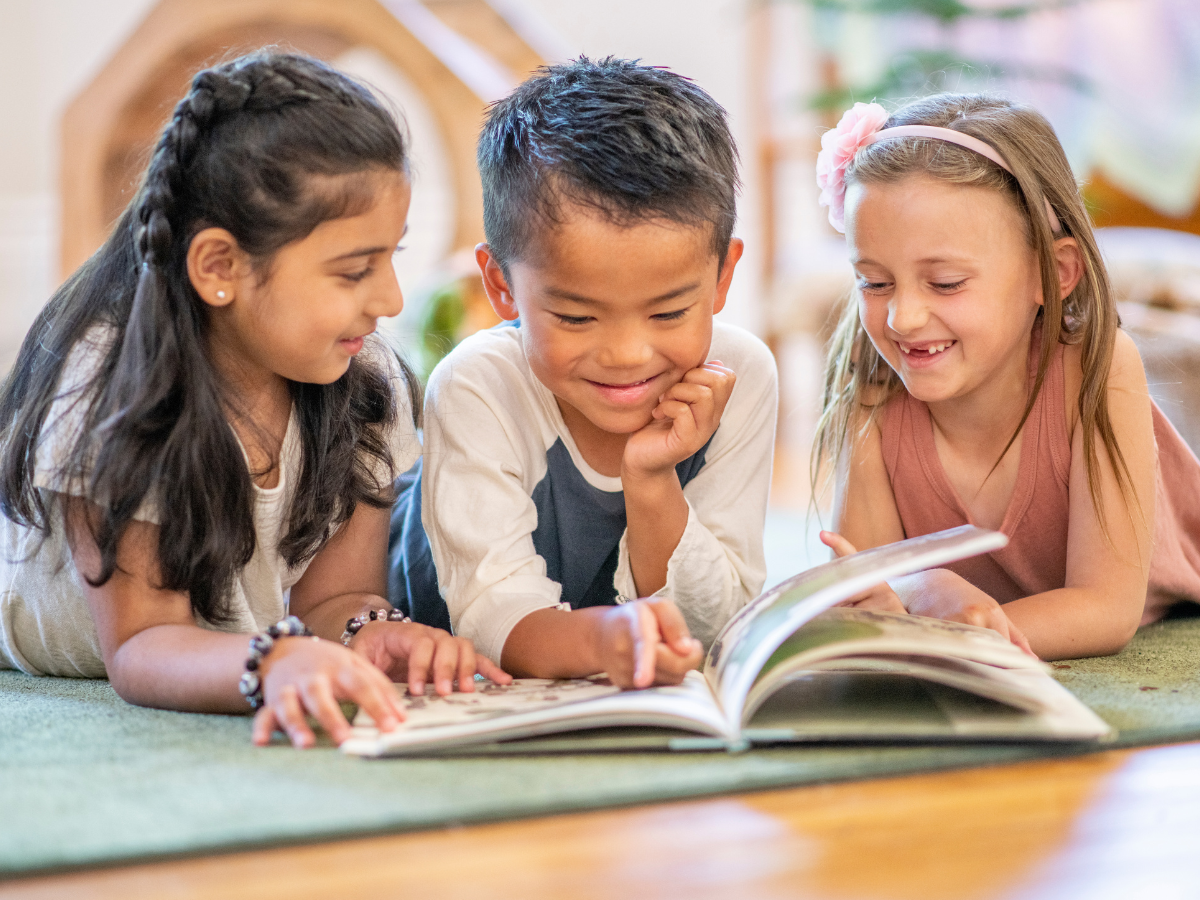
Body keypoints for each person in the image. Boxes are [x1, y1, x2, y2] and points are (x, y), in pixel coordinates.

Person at [0, 51, 508, 749]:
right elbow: (144, 645)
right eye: (355, 270)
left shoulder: (365, 381)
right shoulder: (111, 389)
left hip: (217, 641)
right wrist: (274, 660)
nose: (390, 299)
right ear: (220, 268)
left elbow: (328, 601)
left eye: (392, 257)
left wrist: (373, 632)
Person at [390, 57, 778, 688]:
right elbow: (492, 616)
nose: (627, 354)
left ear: (723, 276)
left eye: (669, 311)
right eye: (575, 317)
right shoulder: (477, 386)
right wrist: (614, 640)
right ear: (501, 285)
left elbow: (717, 624)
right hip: (434, 616)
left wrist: (652, 481)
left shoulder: (738, 377)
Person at [811, 94, 1200, 661]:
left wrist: (950, 631)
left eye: (944, 283)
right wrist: (923, 587)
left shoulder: (1101, 365)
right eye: (874, 282)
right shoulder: (872, 389)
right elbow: (861, 586)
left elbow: (1106, 609)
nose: (902, 318)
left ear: (1053, 274)